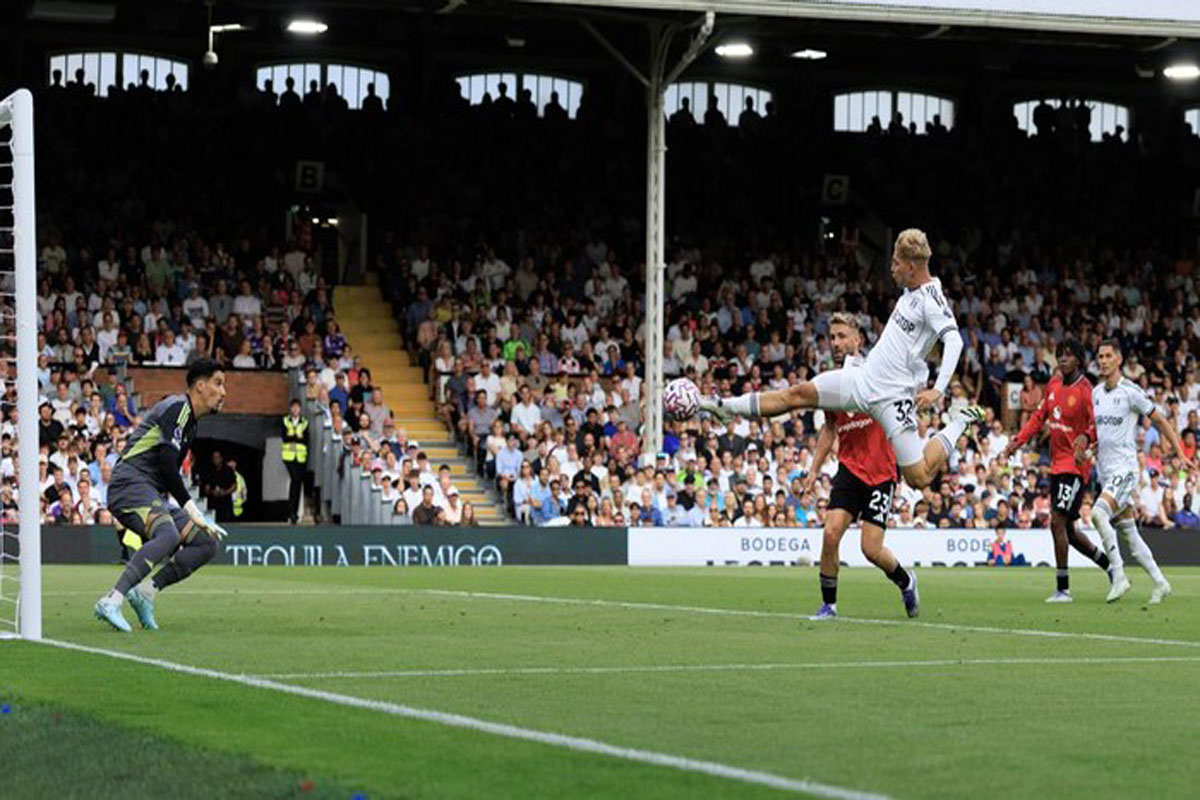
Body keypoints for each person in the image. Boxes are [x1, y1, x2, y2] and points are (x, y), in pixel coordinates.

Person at [700, 229, 983, 490]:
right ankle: (725, 407)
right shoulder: (911, 291)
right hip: (862, 380)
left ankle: (959, 422)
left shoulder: (932, 301)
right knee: (797, 394)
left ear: (911, 266)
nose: (891, 267)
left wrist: (939, 389)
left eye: (896, 263)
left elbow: (955, 340)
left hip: (893, 398)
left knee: (918, 477)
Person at [93, 358, 228, 632]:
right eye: (218, 383)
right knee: (167, 534)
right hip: (128, 483)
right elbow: (167, 466)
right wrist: (193, 511)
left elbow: (167, 474)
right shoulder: (178, 408)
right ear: (200, 386)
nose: (224, 392)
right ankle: (112, 600)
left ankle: (146, 592)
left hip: (148, 490)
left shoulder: (190, 424)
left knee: (205, 542)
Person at [806, 313, 918, 620]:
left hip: (881, 473)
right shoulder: (831, 383)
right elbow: (829, 429)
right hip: (849, 470)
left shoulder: (878, 372)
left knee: (870, 549)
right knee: (830, 534)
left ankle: (906, 581)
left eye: (842, 336)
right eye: (832, 337)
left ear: (858, 340)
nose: (836, 343)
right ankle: (829, 605)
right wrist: (814, 470)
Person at [1000, 338, 1113, 602]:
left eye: (1069, 355)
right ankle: (1111, 566)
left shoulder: (1087, 391)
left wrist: (1086, 437)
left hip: (1075, 466)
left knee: (1057, 522)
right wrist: (1017, 442)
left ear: (1079, 360)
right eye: (1060, 354)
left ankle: (1063, 589)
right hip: (1056, 465)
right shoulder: (1052, 384)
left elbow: (1097, 426)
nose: (1063, 359)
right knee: (1070, 532)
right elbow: (1039, 418)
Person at [1088, 339, 1193, 604]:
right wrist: (1090, 449)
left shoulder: (1131, 392)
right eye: (1100, 356)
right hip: (1105, 471)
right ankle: (1160, 582)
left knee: (1098, 515)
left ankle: (1119, 577)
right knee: (1129, 533)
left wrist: (1179, 452)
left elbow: (1160, 419)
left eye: (1108, 356)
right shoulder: (1097, 393)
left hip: (1125, 469)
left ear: (1119, 360)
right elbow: (1102, 433)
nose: (1102, 361)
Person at [281, 397, 308, 524]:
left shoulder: (305, 422)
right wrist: (297, 437)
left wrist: (294, 437)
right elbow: (285, 437)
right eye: (293, 407)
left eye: (297, 407)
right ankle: (291, 511)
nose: (295, 409)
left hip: (301, 457)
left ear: (300, 409)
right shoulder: (285, 421)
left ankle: (294, 513)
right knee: (294, 480)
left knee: (297, 483)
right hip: (289, 456)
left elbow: (306, 439)